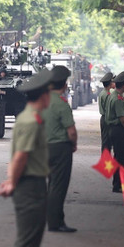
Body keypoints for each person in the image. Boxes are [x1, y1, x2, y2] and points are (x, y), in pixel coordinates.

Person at [0, 68, 55, 247]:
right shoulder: (31, 121)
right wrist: (12, 181)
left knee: (28, 241)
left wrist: (11, 180)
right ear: (42, 95)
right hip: (30, 185)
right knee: (28, 243)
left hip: (31, 183)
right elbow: (21, 157)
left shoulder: (28, 117)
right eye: (48, 93)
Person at [42, 65, 77, 233]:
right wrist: (74, 144)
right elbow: (71, 131)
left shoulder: (43, 101)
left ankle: (51, 218)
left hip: (43, 147)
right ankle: (55, 222)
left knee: (50, 184)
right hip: (60, 148)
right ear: (64, 84)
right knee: (58, 186)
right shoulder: (62, 104)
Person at [104, 71, 124, 192]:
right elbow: (122, 117)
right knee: (122, 158)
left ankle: (121, 182)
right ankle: (118, 184)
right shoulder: (117, 99)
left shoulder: (112, 96)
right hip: (118, 130)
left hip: (114, 130)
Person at [98, 71, 113, 153]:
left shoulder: (103, 93)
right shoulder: (107, 94)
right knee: (106, 142)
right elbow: (108, 109)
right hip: (107, 118)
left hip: (104, 118)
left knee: (105, 140)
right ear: (110, 83)